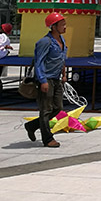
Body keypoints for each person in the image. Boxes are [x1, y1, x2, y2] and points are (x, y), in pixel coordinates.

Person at [25, 13, 68, 147]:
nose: (65, 27)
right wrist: (43, 80)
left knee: (58, 108)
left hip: (56, 78)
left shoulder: (61, 40)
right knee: (46, 110)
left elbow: (61, 58)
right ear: (53, 27)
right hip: (46, 78)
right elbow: (39, 62)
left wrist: (64, 74)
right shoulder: (45, 42)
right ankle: (48, 139)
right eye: (62, 25)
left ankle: (32, 126)